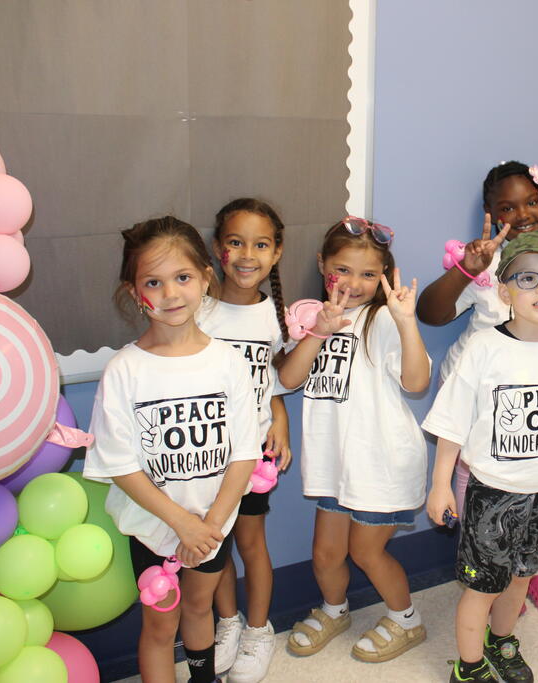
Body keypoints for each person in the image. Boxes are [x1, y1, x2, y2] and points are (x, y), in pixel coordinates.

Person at [84, 216, 259, 683]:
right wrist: (182, 523)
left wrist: (210, 525)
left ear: (205, 277)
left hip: (214, 524)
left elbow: (244, 453)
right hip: (155, 526)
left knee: (200, 609)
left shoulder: (228, 362)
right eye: (153, 283)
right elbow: (120, 466)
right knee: (161, 626)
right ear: (134, 292)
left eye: (182, 277)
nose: (170, 294)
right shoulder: (124, 370)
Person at [424, 229, 538, 683]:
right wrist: (441, 484)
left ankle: (500, 641)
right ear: (504, 291)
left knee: (521, 576)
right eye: (527, 278)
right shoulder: (485, 348)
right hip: (493, 494)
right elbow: (452, 422)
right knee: (483, 587)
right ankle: (468, 666)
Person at [417, 160, 538, 617]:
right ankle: (488, 570)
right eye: (508, 208)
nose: (523, 214)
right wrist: (466, 269)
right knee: (478, 481)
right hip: (484, 390)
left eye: (531, 202)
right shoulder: (488, 261)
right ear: (491, 214)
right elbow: (431, 313)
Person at [279, 217, 431, 663]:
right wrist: (319, 330)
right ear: (322, 264)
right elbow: (288, 378)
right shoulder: (312, 318)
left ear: (383, 275)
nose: (354, 283)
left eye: (368, 274)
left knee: (366, 551)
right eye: (342, 270)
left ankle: (407, 620)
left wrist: (406, 322)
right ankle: (335, 610)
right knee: (325, 554)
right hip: (336, 464)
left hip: (382, 463)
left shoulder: (383, 319)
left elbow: (416, 382)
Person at [199, 198, 293, 682]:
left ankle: (258, 629)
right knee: (213, 546)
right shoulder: (197, 309)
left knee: (251, 543)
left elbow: (268, 382)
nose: (246, 255)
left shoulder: (276, 317)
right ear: (218, 248)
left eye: (260, 245)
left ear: (276, 253)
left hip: (251, 456)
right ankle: (228, 623)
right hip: (204, 454)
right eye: (235, 243)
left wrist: (281, 418)